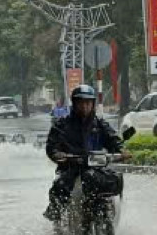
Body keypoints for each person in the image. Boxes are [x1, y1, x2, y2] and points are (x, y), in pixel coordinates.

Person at [43, 83, 121, 221]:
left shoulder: (100, 125)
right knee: (60, 186)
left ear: (93, 104)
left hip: (95, 168)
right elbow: (51, 146)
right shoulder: (62, 125)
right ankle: (56, 214)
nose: (85, 106)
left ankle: (113, 211)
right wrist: (57, 154)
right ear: (74, 104)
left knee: (115, 179)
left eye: (88, 103)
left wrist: (122, 151)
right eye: (81, 103)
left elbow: (114, 140)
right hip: (70, 168)